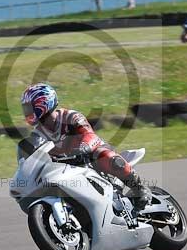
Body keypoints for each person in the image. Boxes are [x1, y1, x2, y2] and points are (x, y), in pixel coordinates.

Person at [21, 83, 153, 207]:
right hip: (65, 169)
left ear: (42, 104)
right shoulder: (37, 135)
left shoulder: (70, 117)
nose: (27, 112)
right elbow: (35, 157)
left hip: (89, 156)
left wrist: (83, 148)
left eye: (29, 107)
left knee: (102, 155)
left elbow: (89, 135)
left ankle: (140, 188)